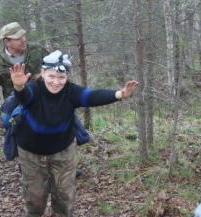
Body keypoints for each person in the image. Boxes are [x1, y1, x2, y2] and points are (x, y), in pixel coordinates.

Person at [9, 50, 139, 217]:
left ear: (67, 77)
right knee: (35, 199)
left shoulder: (71, 92)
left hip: (63, 150)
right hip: (31, 153)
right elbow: (24, 96)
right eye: (51, 76)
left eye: (61, 77)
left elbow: (92, 96)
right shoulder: (34, 89)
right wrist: (19, 86)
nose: (56, 82)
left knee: (64, 196)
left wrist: (120, 94)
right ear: (42, 73)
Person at [0, 22, 85, 177]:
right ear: (6, 42)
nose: (23, 39)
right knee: (22, 137)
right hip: (19, 106)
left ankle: (64, 168)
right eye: (17, 38)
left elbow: (58, 68)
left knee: (61, 131)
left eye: (23, 35)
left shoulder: (38, 51)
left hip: (48, 101)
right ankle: (28, 172)